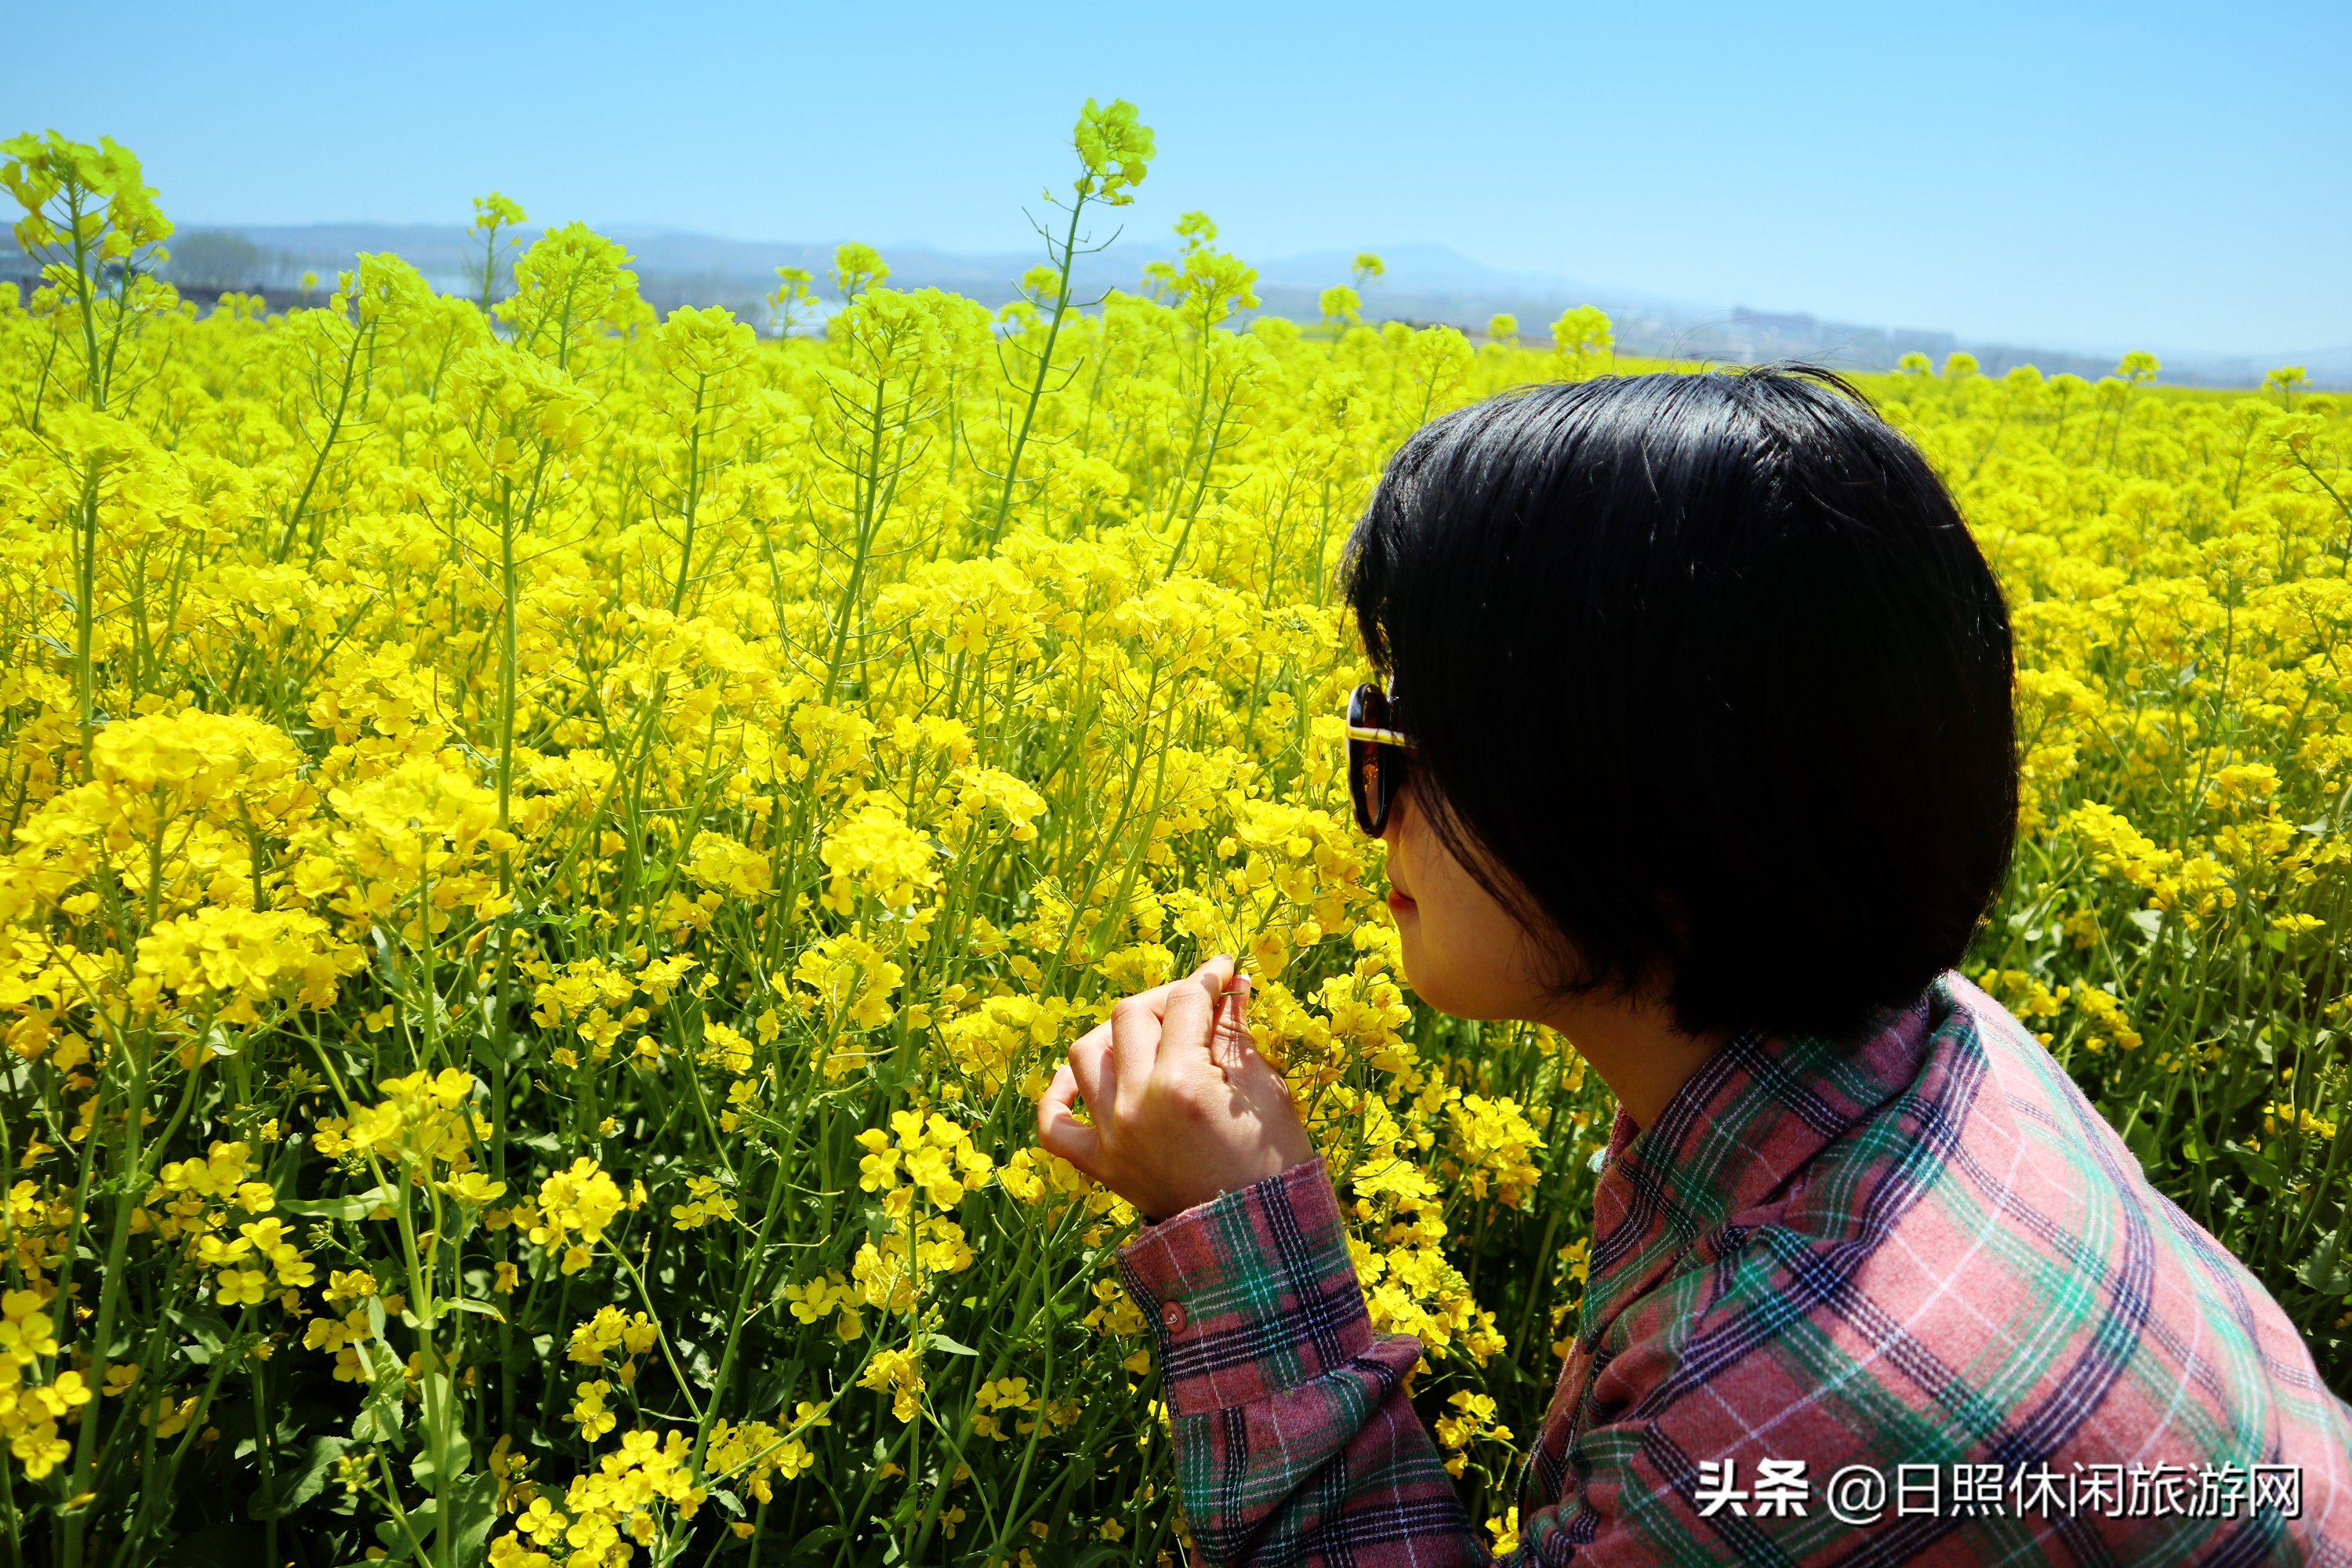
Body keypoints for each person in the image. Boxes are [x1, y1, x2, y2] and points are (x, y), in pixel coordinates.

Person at [1034, 368, 2352, 1565]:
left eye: (1411, 733)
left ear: (1647, 806)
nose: (1366, 800)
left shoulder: (1777, 1408)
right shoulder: (1946, 1048)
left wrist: (1248, 1256)